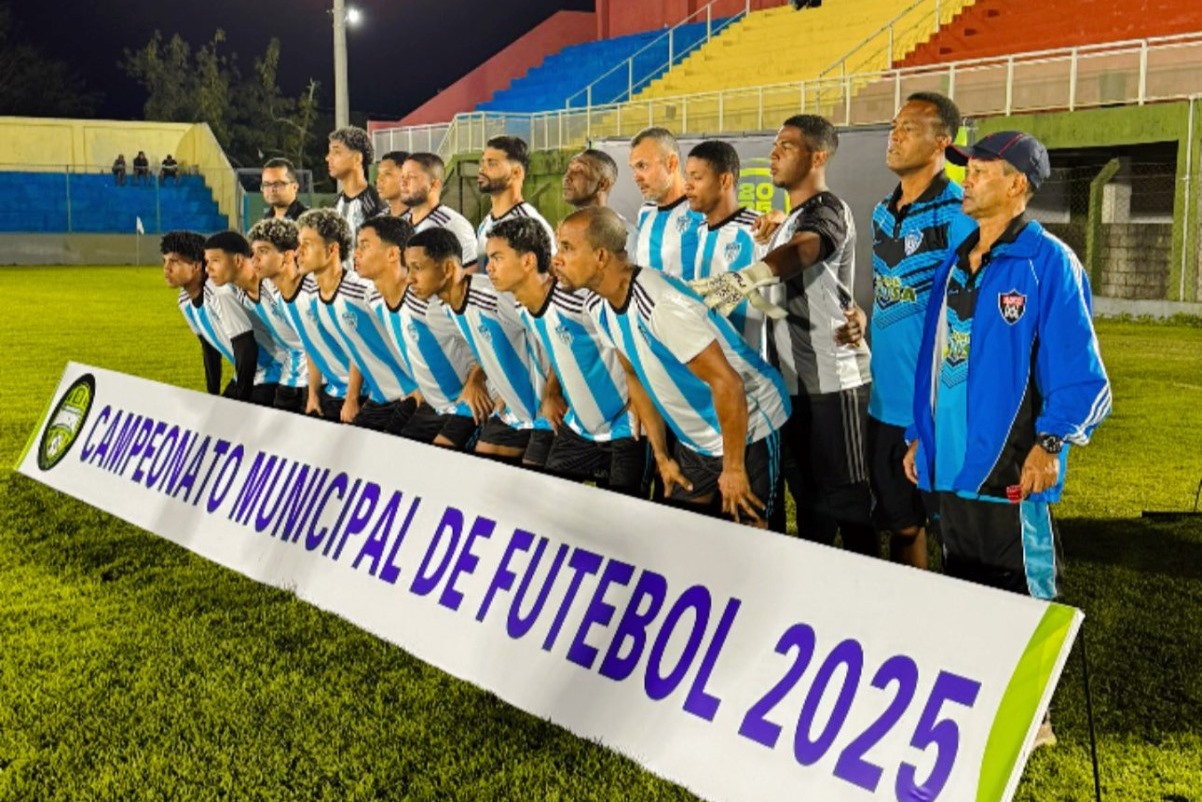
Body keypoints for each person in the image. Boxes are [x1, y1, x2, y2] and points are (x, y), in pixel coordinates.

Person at [904, 131, 1111, 749]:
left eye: (982, 170)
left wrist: (1052, 442)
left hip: (1011, 466)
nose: (967, 179)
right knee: (964, 583)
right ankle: (980, 700)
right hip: (950, 461)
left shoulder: (1049, 263)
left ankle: (1035, 719)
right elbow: (934, 357)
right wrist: (920, 435)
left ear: (1018, 183)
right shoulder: (955, 261)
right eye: (967, 169)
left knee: (1023, 590)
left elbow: (1079, 371)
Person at [691, 115, 874, 552]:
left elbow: (806, 250)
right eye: (774, 146)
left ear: (818, 156)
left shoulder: (828, 209)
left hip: (833, 384)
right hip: (790, 386)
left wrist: (747, 277)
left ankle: (869, 588)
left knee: (850, 506)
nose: (774, 154)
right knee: (809, 506)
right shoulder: (785, 223)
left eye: (787, 146)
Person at [558, 206, 790, 527]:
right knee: (680, 534)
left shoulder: (661, 304)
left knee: (752, 538)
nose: (556, 259)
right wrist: (662, 456)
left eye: (567, 248)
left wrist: (734, 468)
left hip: (749, 424)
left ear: (600, 256)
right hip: (697, 442)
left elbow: (728, 384)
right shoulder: (596, 305)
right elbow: (633, 375)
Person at [864, 92, 977, 568]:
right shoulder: (881, 212)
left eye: (908, 129)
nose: (894, 136)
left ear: (941, 142)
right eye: (894, 127)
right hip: (883, 403)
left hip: (932, 407)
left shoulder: (959, 215)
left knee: (953, 532)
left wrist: (936, 410)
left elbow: (966, 318)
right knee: (901, 525)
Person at [488, 217, 647, 495]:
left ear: (528, 262)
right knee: (545, 501)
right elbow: (559, 353)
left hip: (625, 424)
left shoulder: (577, 299)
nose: (488, 267)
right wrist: (551, 393)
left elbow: (632, 339)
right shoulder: (523, 307)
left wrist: (638, 401)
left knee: (622, 514)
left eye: (497, 258)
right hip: (579, 425)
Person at [410, 227, 553, 467]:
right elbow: (482, 349)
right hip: (511, 411)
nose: (409, 278)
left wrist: (552, 393)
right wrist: (478, 380)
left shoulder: (494, 297)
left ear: (448, 269)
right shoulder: (439, 312)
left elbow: (551, 339)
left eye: (417, 268)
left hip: (546, 409)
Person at [362, 215, 489, 449]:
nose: (356, 254)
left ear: (393, 254)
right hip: (432, 404)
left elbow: (488, 346)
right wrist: (421, 384)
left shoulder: (431, 305)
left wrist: (475, 381)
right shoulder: (374, 300)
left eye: (364, 245)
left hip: (463, 403)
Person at [296, 208, 419, 433]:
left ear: (332, 249)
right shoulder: (313, 296)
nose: (298, 252)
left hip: (405, 395)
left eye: (307, 244)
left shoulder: (362, 292)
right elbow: (355, 345)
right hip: (378, 396)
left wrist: (352, 396)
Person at [201, 230, 302, 407]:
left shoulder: (274, 283)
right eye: (207, 261)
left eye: (215, 261)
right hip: (289, 373)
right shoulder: (239, 292)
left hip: (306, 375)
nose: (207, 269)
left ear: (238, 260)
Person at [684, 139, 766, 350]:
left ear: (725, 180)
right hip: (713, 358)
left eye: (697, 177)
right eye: (687, 177)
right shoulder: (701, 229)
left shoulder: (758, 230)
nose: (688, 185)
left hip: (749, 361)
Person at [160, 230, 259, 402]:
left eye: (174, 262)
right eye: (165, 261)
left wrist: (243, 402)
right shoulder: (185, 302)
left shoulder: (219, 293)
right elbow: (209, 348)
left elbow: (246, 348)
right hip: (248, 374)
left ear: (197, 266)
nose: (166, 269)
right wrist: (212, 395)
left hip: (268, 375)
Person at [246, 217, 310, 413]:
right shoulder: (268, 289)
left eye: (263, 251)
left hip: (318, 383)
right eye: (253, 252)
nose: (255, 259)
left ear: (288, 256)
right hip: (290, 378)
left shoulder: (312, 293)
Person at [629, 126, 704, 279]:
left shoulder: (704, 211)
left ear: (671, 163)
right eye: (634, 169)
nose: (636, 177)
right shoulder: (645, 213)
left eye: (642, 166)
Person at [475, 135, 556, 272]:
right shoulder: (487, 221)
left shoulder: (530, 223)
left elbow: (552, 274)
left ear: (516, 172)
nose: (482, 169)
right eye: (482, 162)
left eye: (492, 163)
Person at [399, 152, 479, 268]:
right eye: (402, 177)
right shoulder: (400, 223)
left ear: (434, 184)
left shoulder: (453, 225)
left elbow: (469, 270)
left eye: (411, 177)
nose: (403, 183)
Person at [562, 148, 638, 255]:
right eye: (568, 170)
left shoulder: (626, 235)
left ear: (603, 184)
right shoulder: (565, 232)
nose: (567, 177)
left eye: (579, 171)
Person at [327, 126, 384, 245]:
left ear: (357, 159)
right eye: (329, 152)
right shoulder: (336, 204)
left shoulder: (376, 204)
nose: (328, 158)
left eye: (336, 152)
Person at [375, 150, 410, 218]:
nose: (379, 179)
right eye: (379, 174)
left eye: (387, 174)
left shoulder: (421, 219)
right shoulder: (379, 219)